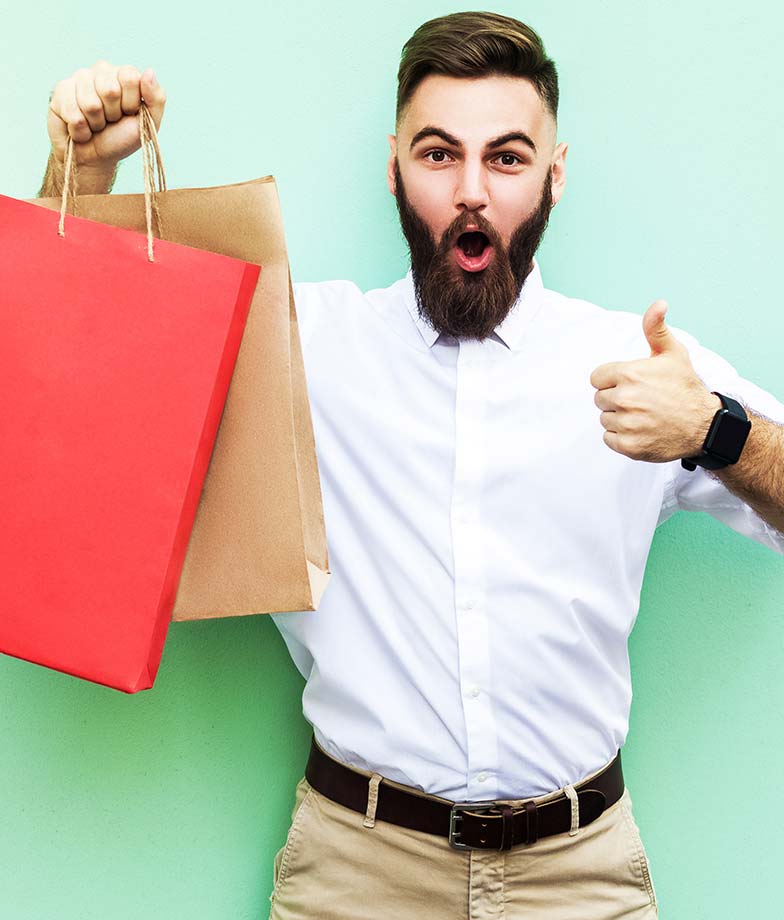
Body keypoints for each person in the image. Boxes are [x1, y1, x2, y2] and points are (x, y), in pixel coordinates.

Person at [40, 11, 784, 919]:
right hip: (358, 873)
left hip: (581, 879)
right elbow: (75, 405)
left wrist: (718, 429)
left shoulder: (645, 361)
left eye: (507, 159)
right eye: (439, 155)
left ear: (555, 177)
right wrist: (82, 176)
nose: (472, 191)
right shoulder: (294, 343)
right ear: (394, 167)